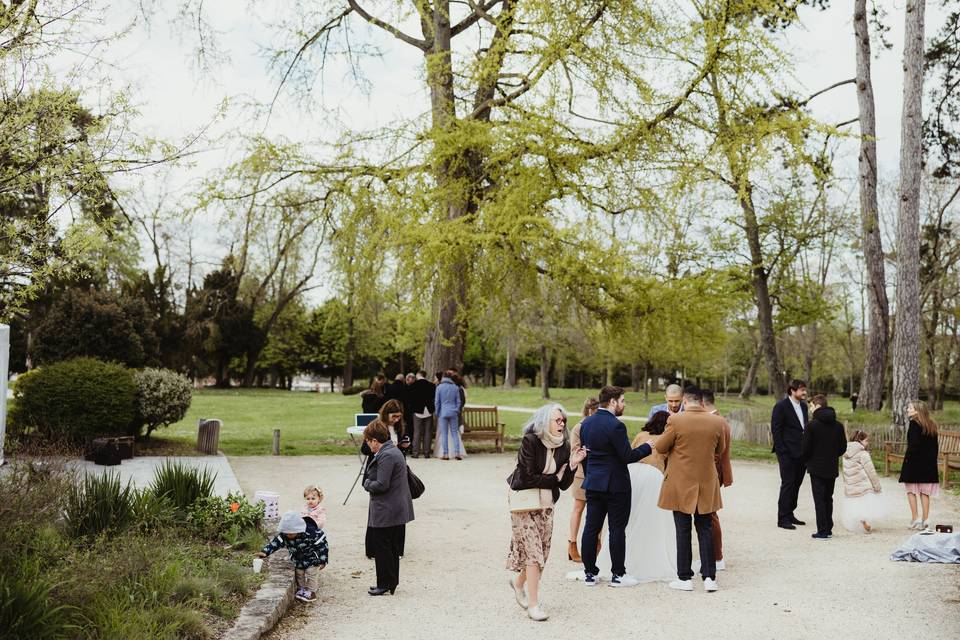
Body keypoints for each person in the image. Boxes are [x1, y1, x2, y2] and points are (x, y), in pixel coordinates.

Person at [506, 404, 586, 621]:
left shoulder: (564, 446)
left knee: (541, 554)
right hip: (524, 504)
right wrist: (555, 477)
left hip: (546, 506)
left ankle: (518, 582)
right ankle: (533, 605)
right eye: (557, 420)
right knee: (533, 554)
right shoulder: (531, 441)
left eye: (563, 421)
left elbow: (562, 486)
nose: (561, 424)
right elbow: (527, 476)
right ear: (545, 422)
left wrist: (571, 465)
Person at [579, 385, 656, 588]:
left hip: (594, 483)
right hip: (616, 486)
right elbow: (627, 456)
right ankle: (618, 575)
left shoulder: (586, 423)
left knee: (591, 528)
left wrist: (591, 477)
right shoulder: (616, 426)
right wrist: (648, 447)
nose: (624, 404)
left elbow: (585, 457)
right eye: (622, 400)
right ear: (612, 402)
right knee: (616, 530)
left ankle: (589, 573)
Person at [656, 386, 726, 593]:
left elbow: (660, 447)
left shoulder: (676, 421)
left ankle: (684, 577)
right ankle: (709, 577)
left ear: (685, 402)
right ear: (702, 403)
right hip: (706, 481)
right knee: (705, 528)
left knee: (682, 529)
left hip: (681, 482)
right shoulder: (717, 422)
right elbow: (720, 450)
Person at [362, 420, 415, 595]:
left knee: (383, 546)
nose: (368, 445)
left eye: (368, 442)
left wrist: (367, 483)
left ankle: (384, 583)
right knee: (391, 547)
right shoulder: (393, 451)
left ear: (375, 440)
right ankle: (390, 582)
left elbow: (382, 484)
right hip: (394, 506)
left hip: (387, 508)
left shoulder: (386, 455)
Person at [801, 394, 847, 540]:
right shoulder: (838, 426)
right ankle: (828, 527)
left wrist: (808, 459)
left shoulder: (811, 426)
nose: (810, 409)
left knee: (819, 499)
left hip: (816, 467)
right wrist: (832, 455)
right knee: (828, 498)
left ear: (818, 407)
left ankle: (822, 530)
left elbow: (806, 448)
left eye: (811, 406)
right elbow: (842, 448)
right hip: (831, 466)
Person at [258, 511, 329, 603]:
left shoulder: (312, 534)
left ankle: (311, 592)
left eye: (291, 534)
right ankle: (302, 589)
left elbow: (323, 546)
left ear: (298, 529)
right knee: (299, 573)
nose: (288, 536)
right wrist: (265, 552)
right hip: (298, 558)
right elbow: (275, 543)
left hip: (312, 558)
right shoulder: (285, 536)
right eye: (286, 533)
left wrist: (323, 560)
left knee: (311, 573)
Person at [771, 379, 809, 529]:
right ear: (792, 391)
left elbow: (804, 429)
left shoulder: (804, 407)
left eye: (805, 389)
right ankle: (782, 518)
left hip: (802, 454)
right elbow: (776, 429)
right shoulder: (781, 407)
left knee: (797, 484)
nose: (804, 392)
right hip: (786, 453)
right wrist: (782, 452)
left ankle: (790, 513)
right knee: (788, 484)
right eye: (801, 390)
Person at [899, 401, 940, 530]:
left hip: (914, 463)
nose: (907, 409)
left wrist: (907, 461)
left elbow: (913, 445)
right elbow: (935, 447)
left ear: (917, 411)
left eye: (910, 407)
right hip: (929, 465)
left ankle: (915, 518)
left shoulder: (914, 424)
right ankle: (926, 520)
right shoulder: (932, 425)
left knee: (911, 491)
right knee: (925, 493)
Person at [702, 389, 732, 570]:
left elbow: (717, 454)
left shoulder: (717, 422)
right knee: (709, 515)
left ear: (703, 404)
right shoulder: (719, 420)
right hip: (714, 472)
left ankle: (717, 557)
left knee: (710, 515)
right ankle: (713, 556)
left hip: (713, 472)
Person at [567, 397, 599, 562]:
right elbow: (574, 451)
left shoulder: (600, 427)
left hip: (598, 474)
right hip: (581, 474)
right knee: (578, 508)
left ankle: (596, 542)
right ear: (589, 411)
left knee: (598, 510)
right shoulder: (578, 428)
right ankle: (572, 544)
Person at [841, 430, 886, 533]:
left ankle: (858, 522)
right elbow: (871, 471)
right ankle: (865, 520)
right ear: (860, 440)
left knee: (854, 505)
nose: (867, 443)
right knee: (865, 504)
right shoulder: (863, 454)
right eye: (866, 441)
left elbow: (845, 471)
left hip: (851, 485)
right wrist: (877, 486)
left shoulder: (846, 453)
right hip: (863, 485)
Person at [434, 369, 464, 460]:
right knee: (455, 433)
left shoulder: (439, 387)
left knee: (444, 434)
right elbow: (459, 401)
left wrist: (437, 412)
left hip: (443, 412)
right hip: (453, 412)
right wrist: (456, 410)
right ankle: (457, 453)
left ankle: (446, 454)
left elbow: (437, 402)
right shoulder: (455, 387)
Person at [409, 370, 436, 458]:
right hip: (428, 410)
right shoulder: (431, 385)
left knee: (417, 432)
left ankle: (415, 453)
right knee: (428, 432)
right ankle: (427, 453)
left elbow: (411, 399)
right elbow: (433, 398)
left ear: (418, 375)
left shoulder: (413, 385)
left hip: (417, 411)